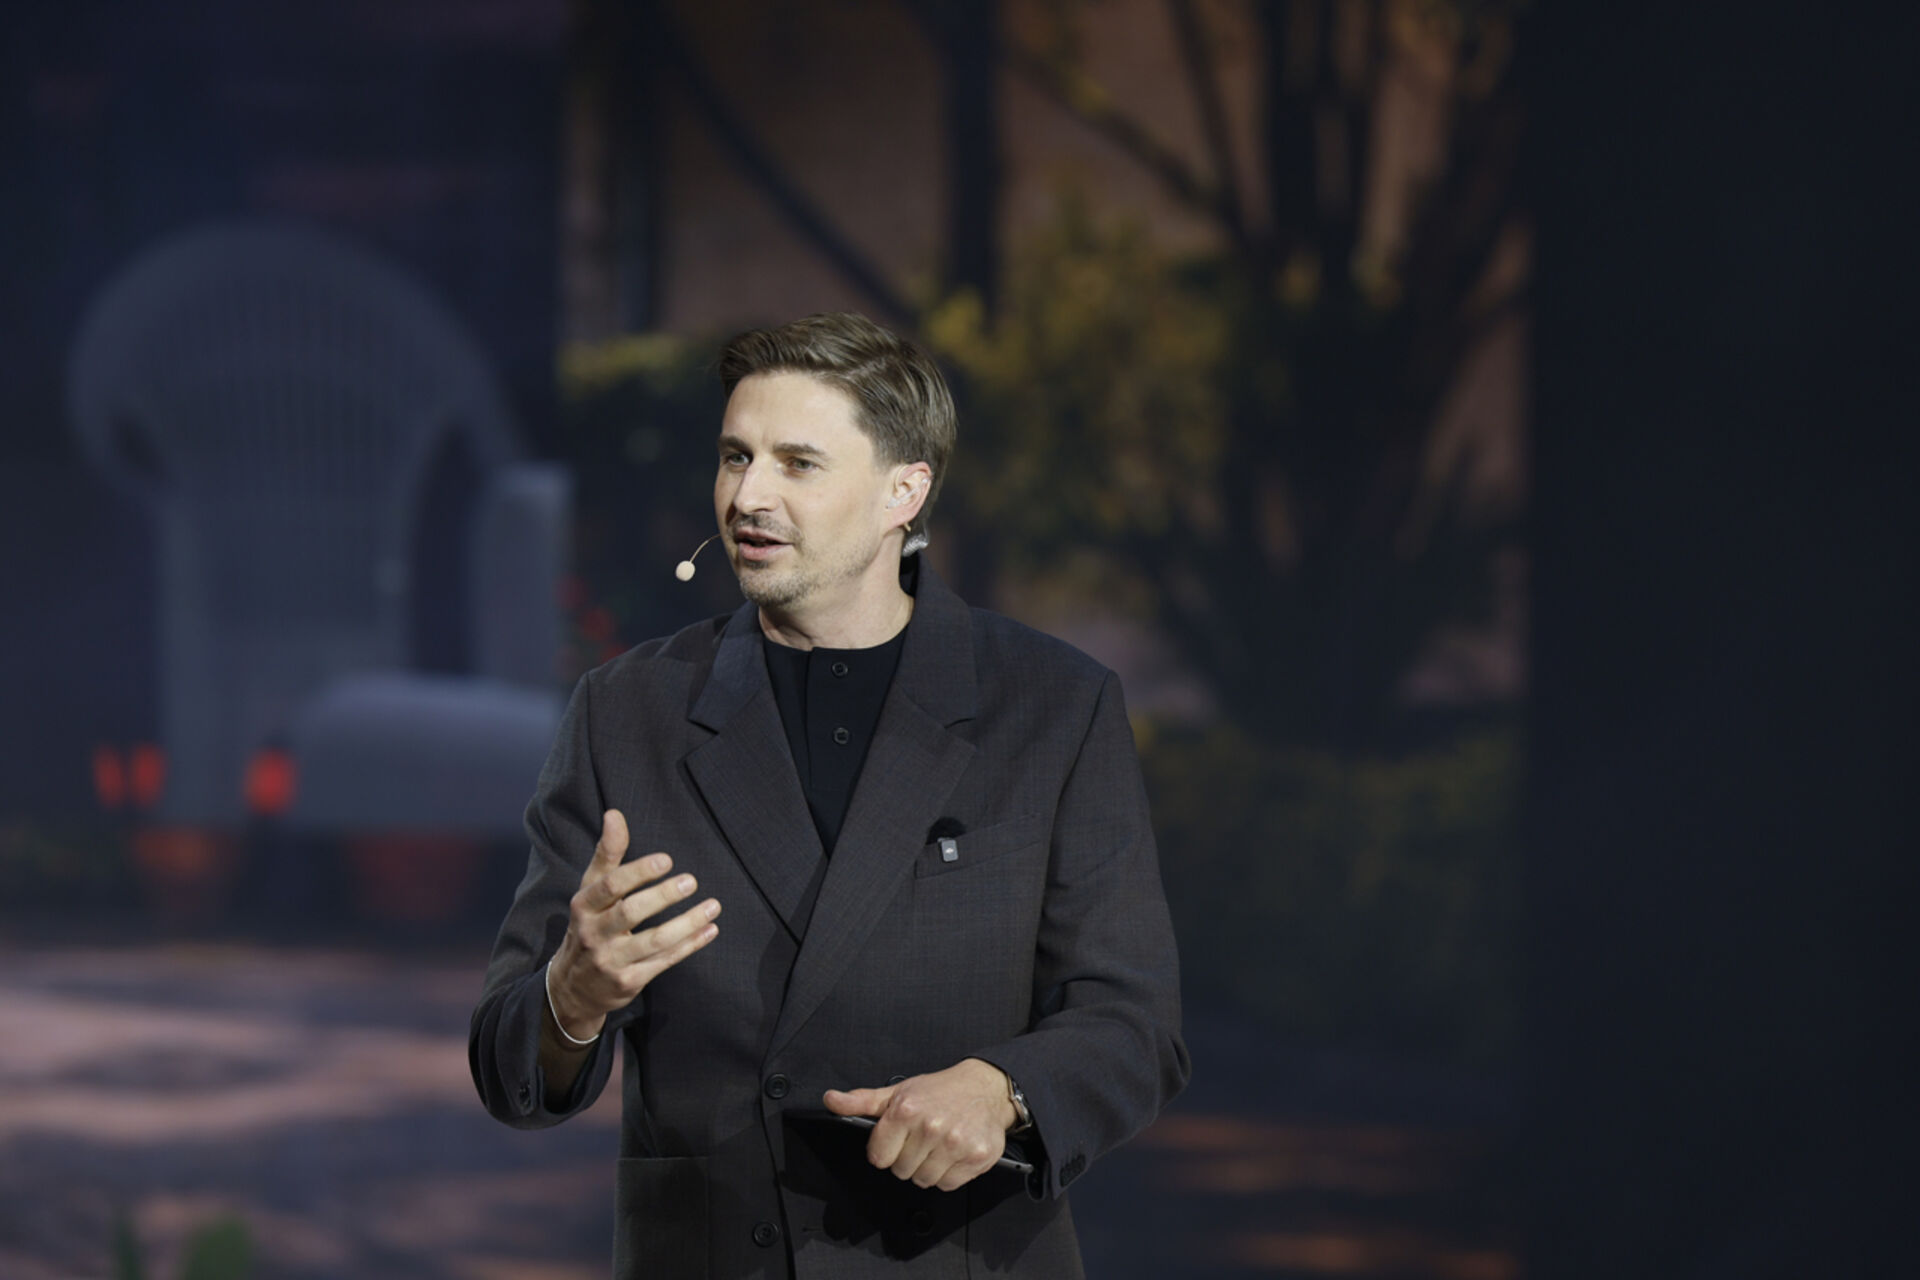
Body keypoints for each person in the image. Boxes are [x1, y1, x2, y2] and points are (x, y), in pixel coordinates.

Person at [469, 311, 1188, 1279]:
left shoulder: (1052, 705)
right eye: (735, 456)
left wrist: (1003, 1088)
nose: (747, 495)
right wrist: (573, 994)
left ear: (905, 491)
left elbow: (1134, 1023)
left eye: (797, 463)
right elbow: (509, 1070)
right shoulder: (626, 712)